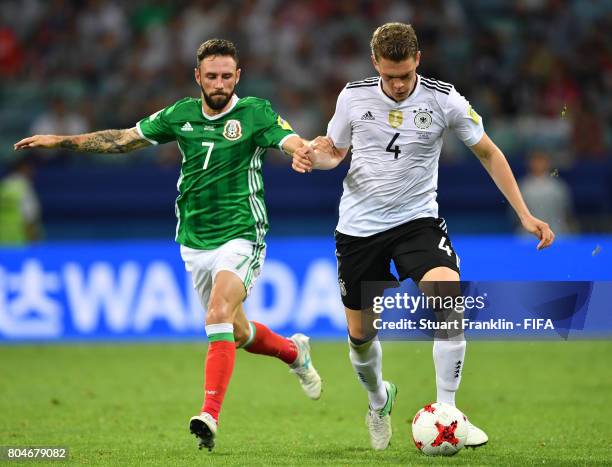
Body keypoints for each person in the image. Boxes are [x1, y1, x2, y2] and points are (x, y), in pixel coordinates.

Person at [14, 38, 322, 452]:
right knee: (235, 329)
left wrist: (302, 151)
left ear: (238, 76)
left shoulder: (256, 113)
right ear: (198, 76)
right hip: (194, 239)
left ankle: (209, 415)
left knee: (217, 312)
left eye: (226, 76)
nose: (219, 83)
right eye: (211, 76)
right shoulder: (180, 114)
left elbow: (289, 141)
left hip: (242, 232)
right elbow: (123, 140)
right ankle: (293, 352)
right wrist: (61, 140)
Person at [292, 23, 554, 451]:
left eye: (406, 75)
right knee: (360, 336)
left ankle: (447, 411)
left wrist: (524, 213)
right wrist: (312, 155)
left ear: (418, 60)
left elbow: (488, 151)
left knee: (447, 292)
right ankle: (379, 400)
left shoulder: (444, 99)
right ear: (375, 63)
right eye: (390, 75)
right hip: (359, 229)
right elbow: (334, 151)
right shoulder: (352, 96)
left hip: (417, 221)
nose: (398, 85)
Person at [518, 150, 574, 235]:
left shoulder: (558, 186)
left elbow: (566, 212)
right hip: (528, 235)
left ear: (548, 163)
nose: (539, 165)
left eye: (542, 161)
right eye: (536, 161)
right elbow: (516, 215)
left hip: (556, 232)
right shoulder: (523, 186)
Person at [0, 157, 42, 245]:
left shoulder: (3, 186)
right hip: (20, 241)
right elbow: (30, 217)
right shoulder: (24, 187)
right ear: (23, 168)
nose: (33, 172)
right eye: (31, 168)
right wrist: (34, 241)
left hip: (2, 241)